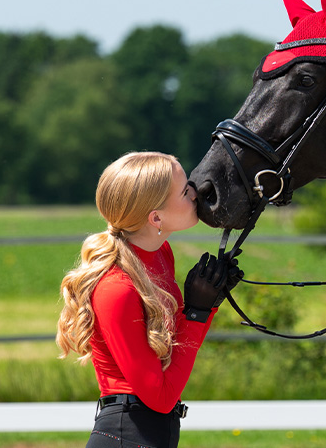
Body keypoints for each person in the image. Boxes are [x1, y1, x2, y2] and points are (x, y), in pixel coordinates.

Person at [56, 152, 238, 448]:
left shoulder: (161, 254)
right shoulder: (117, 288)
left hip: (148, 434)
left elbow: (173, 351)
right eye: (185, 191)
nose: (195, 193)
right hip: (126, 435)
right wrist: (197, 312)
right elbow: (161, 397)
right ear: (156, 218)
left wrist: (210, 300)